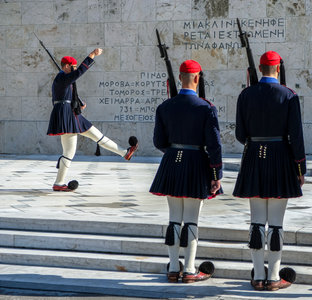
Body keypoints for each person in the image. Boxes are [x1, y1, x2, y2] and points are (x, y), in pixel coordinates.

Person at [233, 51, 306, 291]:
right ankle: (274, 276)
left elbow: (240, 135)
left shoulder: (246, 95)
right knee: (276, 222)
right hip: (281, 157)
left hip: (254, 155)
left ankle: (258, 274)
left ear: (261, 69)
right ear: (278, 69)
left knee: (256, 221)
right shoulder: (289, 96)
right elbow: (296, 136)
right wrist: (300, 167)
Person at [150, 60, 222, 283]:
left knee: (174, 218)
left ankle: (173, 268)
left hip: (172, 161)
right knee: (191, 219)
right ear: (198, 78)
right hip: (196, 162)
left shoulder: (165, 106)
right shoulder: (206, 108)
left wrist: (174, 152)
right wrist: (216, 174)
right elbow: (214, 145)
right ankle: (189, 269)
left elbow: (159, 141)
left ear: (179, 78)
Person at [47, 49, 138, 192]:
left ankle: (124, 153)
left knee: (97, 135)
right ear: (66, 66)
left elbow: (70, 94)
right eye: (73, 67)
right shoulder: (62, 78)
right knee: (69, 152)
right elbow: (78, 74)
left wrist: (78, 102)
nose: (75, 69)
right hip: (66, 116)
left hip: (72, 114)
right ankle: (58, 183)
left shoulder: (64, 78)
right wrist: (91, 56)